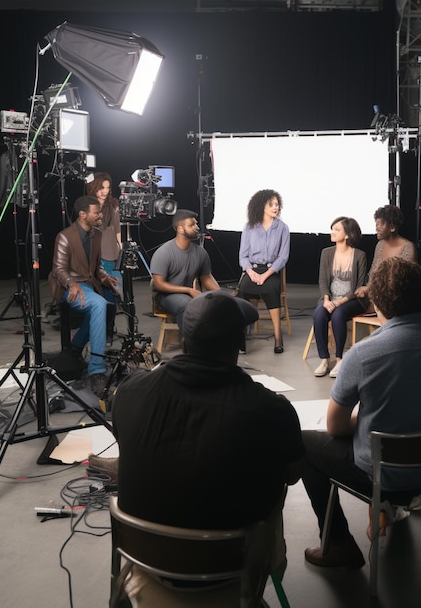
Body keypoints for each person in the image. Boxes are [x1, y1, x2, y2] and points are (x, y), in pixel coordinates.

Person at [111, 290, 305, 605]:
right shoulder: (271, 410)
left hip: (146, 568)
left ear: (184, 344)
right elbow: (294, 473)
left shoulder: (129, 393)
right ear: (239, 345)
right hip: (230, 571)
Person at [302, 257, 421, 569]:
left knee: (304, 445)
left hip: (383, 476)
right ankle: (386, 510)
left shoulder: (363, 354)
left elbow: (336, 427)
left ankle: (339, 544)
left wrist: (363, 422)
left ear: (375, 302)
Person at [48, 195, 120, 397]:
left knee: (108, 302)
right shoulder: (65, 236)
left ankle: (75, 347)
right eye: (96, 212)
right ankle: (97, 370)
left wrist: (105, 278)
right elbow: (58, 270)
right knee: (98, 304)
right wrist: (71, 284)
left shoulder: (96, 234)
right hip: (67, 287)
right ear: (83, 214)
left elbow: (95, 267)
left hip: (89, 284)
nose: (100, 215)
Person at [150, 209, 220, 341]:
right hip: (165, 296)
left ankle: (214, 340)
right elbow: (159, 284)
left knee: (218, 303)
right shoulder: (164, 252)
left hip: (188, 294)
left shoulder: (200, 253)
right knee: (187, 304)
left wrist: (221, 294)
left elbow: (206, 277)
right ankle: (188, 345)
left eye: (196, 224)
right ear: (180, 229)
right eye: (192, 225)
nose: (197, 228)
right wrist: (188, 290)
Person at [312, 216, 368, 378]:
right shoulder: (327, 253)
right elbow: (322, 280)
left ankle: (339, 360)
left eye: (337, 230)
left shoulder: (359, 255)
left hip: (352, 300)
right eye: (332, 229)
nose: (333, 232)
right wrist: (327, 300)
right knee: (319, 313)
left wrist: (339, 302)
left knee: (338, 315)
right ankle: (324, 359)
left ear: (348, 234)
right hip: (331, 298)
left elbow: (359, 286)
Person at [238, 189, 290, 353]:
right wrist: (251, 272)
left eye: (277, 204)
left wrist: (265, 275)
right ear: (261, 206)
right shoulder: (249, 227)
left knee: (270, 289)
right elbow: (243, 256)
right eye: (271, 204)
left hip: (271, 270)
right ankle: (240, 338)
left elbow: (283, 257)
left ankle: (277, 336)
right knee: (243, 290)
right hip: (252, 269)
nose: (275, 207)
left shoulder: (283, 228)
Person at [86, 172, 122, 344]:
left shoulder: (113, 205)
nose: (105, 191)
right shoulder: (86, 206)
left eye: (107, 188)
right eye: (101, 187)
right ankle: (94, 329)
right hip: (92, 251)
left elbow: (116, 228)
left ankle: (108, 329)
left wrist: (119, 246)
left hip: (108, 251)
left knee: (109, 293)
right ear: (94, 187)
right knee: (93, 292)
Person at [354, 204, 416, 304]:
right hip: (377, 295)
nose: (377, 228)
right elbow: (373, 272)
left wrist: (372, 290)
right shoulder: (380, 245)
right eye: (376, 224)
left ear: (392, 227)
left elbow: (403, 280)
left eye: (381, 224)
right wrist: (368, 288)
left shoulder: (408, 247)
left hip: (398, 298)